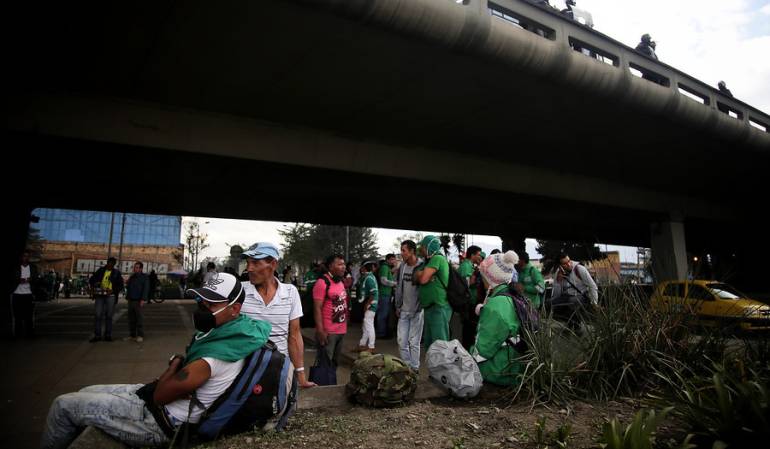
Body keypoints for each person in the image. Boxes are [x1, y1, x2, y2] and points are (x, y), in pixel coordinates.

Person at [39, 273, 272, 449]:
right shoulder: (241, 333)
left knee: (63, 405)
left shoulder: (215, 355)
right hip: (159, 404)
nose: (203, 308)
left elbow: (161, 395)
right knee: (87, 390)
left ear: (235, 310)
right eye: (202, 302)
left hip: (159, 422)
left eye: (212, 305)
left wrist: (175, 364)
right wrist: (177, 377)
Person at [239, 242, 315, 388]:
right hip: (244, 372)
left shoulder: (290, 292)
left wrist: (300, 376)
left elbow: (294, 335)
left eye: (255, 263)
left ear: (273, 264)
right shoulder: (239, 291)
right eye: (248, 263)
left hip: (279, 370)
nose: (249, 268)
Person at [470, 251, 524, 386]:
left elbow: (482, 351)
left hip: (501, 371)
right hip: (517, 367)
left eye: (483, 277)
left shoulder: (495, 306)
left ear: (490, 279)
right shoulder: (516, 296)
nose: (481, 281)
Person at [413, 235, 451, 350]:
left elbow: (423, 279)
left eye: (423, 247)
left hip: (438, 306)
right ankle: (435, 366)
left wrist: (422, 275)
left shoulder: (437, 258)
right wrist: (422, 275)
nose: (421, 250)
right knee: (430, 344)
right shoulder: (428, 261)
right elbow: (415, 278)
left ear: (430, 247)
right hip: (430, 307)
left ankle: (443, 366)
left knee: (440, 342)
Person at [312, 254, 348, 376]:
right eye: (340, 264)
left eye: (344, 264)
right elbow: (317, 308)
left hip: (341, 331)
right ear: (330, 267)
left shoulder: (340, 282)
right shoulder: (322, 282)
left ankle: (331, 384)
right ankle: (322, 389)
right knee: (324, 364)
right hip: (328, 332)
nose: (343, 267)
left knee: (334, 363)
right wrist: (320, 330)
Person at [394, 240, 423, 371]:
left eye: (403, 250)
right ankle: (407, 368)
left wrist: (421, 306)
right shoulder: (402, 267)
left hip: (417, 311)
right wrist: (397, 305)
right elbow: (399, 287)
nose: (401, 254)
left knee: (414, 342)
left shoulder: (422, 266)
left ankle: (415, 369)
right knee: (401, 341)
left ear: (412, 251)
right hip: (404, 310)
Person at [550, 253, 599, 328]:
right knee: (550, 303)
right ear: (560, 266)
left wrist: (594, 302)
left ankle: (576, 325)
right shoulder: (559, 273)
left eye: (569, 261)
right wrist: (558, 281)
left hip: (580, 296)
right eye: (565, 264)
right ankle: (570, 323)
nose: (569, 265)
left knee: (573, 303)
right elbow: (556, 294)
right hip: (567, 296)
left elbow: (592, 286)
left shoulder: (579, 268)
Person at [88, 257, 124, 342]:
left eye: (112, 264)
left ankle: (108, 335)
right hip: (100, 295)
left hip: (110, 296)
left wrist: (113, 290)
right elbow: (91, 280)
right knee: (98, 315)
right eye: (109, 263)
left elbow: (120, 285)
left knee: (109, 316)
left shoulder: (116, 273)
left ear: (114, 265)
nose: (110, 265)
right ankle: (97, 335)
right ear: (107, 263)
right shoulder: (100, 270)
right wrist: (95, 283)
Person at [457, 245, 484, 349]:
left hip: (471, 302)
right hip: (468, 303)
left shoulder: (470, 265)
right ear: (472, 255)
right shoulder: (466, 266)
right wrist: (475, 276)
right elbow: (466, 284)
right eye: (478, 254)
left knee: (471, 329)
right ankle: (466, 351)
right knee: (468, 330)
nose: (479, 256)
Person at [11, 250, 38, 338]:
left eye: (27, 256)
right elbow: (11, 279)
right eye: (24, 256)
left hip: (28, 294)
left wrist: (30, 280)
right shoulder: (16, 267)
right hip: (17, 294)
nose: (25, 258)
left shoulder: (33, 267)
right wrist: (20, 280)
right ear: (21, 257)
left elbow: (36, 279)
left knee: (28, 316)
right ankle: (17, 334)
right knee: (17, 315)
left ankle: (29, 334)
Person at [124, 261, 149, 342]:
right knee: (131, 319)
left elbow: (146, 289)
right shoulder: (132, 277)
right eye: (134, 267)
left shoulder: (144, 277)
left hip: (138, 300)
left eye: (137, 267)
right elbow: (128, 287)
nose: (135, 269)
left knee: (139, 319)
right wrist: (127, 283)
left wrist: (143, 299)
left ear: (141, 269)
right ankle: (132, 335)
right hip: (131, 300)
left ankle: (140, 335)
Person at [357, 261, 379, 352]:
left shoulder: (369, 278)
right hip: (368, 304)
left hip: (370, 305)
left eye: (362, 266)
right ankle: (362, 345)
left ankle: (371, 346)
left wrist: (367, 305)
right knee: (365, 325)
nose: (360, 268)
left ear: (365, 268)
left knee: (368, 325)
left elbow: (373, 293)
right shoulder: (367, 277)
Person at [376, 254, 397, 339]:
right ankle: (381, 333)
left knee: (385, 313)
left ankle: (383, 332)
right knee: (383, 314)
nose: (393, 261)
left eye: (394, 259)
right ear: (387, 260)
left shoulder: (387, 268)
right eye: (391, 259)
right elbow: (383, 281)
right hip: (384, 294)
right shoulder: (384, 267)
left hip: (387, 294)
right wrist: (395, 284)